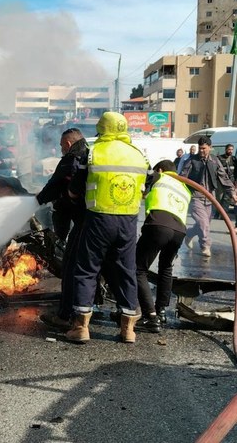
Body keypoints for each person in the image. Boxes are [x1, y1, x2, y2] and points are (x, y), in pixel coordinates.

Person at [66, 112, 151, 344]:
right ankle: (128, 331)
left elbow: (74, 189)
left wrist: (76, 196)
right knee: (126, 271)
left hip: (98, 220)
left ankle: (81, 328)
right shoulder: (139, 154)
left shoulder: (93, 153)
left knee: (86, 269)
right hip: (128, 221)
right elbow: (148, 185)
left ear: (103, 128)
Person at [35, 127, 89, 330]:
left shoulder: (71, 157)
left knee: (71, 267)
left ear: (67, 144)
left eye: (61, 146)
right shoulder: (92, 154)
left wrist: (38, 200)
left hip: (84, 221)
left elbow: (55, 185)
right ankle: (126, 316)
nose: (60, 150)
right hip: (110, 221)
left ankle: (67, 316)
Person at [134, 160, 190, 333]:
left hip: (159, 226)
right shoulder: (184, 187)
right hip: (179, 231)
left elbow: (144, 175)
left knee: (138, 269)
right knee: (166, 267)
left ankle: (150, 316)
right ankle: (161, 311)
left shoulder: (160, 176)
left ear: (160, 169)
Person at [180, 136, 237, 257]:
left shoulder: (214, 161)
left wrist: (232, 192)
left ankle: (189, 233)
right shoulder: (192, 160)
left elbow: (224, 177)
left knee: (203, 225)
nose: (201, 151)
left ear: (210, 148)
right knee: (203, 224)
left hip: (211, 198)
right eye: (200, 148)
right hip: (196, 197)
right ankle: (205, 246)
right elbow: (182, 176)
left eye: (204, 148)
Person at [214, 143, 236, 219]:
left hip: (230, 182)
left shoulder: (234, 159)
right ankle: (217, 213)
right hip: (220, 182)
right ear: (226, 149)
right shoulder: (219, 158)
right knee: (219, 199)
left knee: (227, 198)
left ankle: (224, 215)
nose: (230, 151)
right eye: (229, 149)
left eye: (232, 149)